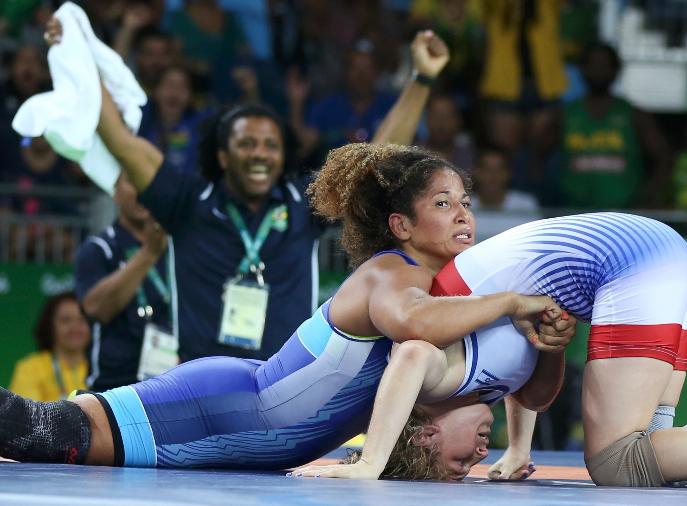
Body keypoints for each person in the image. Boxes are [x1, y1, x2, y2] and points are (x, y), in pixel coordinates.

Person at [0, 142, 569, 470]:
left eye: (465, 203)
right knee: (45, 434)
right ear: (401, 225)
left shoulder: (456, 300)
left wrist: (546, 344)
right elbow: (412, 324)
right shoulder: (391, 274)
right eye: (443, 204)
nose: (464, 215)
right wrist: (513, 299)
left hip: (246, 435)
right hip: (220, 406)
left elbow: (528, 391)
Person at [294, 211, 687, 492]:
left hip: (630, 264)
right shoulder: (478, 364)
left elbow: (406, 360)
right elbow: (534, 389)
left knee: (615, 464)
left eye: (457, 461)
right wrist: (518, 448)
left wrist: (370, 460)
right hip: (653, 252)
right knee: (652, 458)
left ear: (420, 431)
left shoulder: (434, 366)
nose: (475, 456)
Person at [45, 17, 456, 364]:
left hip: (285, 382)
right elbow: (119, 139)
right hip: (200, 382)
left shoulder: (302, 202)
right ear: (223, 156)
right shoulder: (188, 201)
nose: (260, 153)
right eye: (246, 144)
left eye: (270, 145)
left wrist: (421, 78)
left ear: (282, 155)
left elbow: (375, 158)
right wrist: (75, 55)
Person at [74, 176, 171, 391]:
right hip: (113, 390)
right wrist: (149, 252)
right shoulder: (100, 248)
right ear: (115, 192)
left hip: (172, 386)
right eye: (132, 181)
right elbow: (96, 309)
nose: (141, 192)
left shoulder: (179, 248)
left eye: (147, 182)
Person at [559, 42, 671, 210]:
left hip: (621, 216)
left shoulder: (635, 115)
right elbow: (537, 158)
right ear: (582, 69)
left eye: (605, 65)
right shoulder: (563, 115)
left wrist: (647, 195)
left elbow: (665, 158)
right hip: (573, 215)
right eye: (593, 64)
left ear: (616, 70)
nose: (598, 70)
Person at [9, 291, 90, 402]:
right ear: (50, 326)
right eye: (66, 320)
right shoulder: (30, 368)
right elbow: (26, 415)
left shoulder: (103, 367)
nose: (75, 327)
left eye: (82, 320)